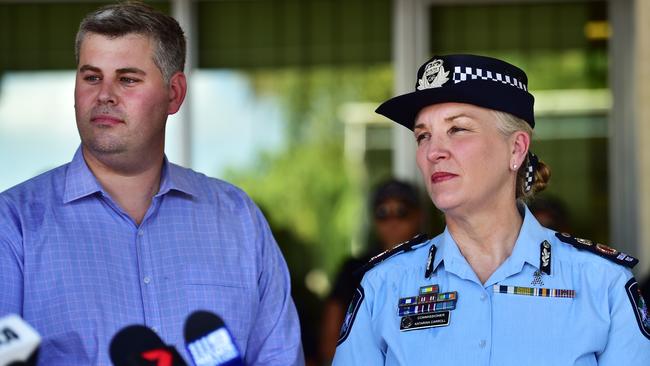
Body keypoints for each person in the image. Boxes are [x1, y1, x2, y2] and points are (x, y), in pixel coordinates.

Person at [0, 3, 303, 365]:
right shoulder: (14, 223)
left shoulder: (236, 217)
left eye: (127, 79)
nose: (105, 95)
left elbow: (279, 357)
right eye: (91, 77)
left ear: (174, 94)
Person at [332, 54, 650, 364]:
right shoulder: (384, 286)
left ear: (516, 148)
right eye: (423, 136)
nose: (433, 152)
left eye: (457, 129)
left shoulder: (601, 284)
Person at [319, 179, 423, 362]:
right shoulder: (354, 269)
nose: (392, 221)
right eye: (382, 213)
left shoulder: (435, 263)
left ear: (418, 216)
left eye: (402, 211)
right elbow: (330, 344)